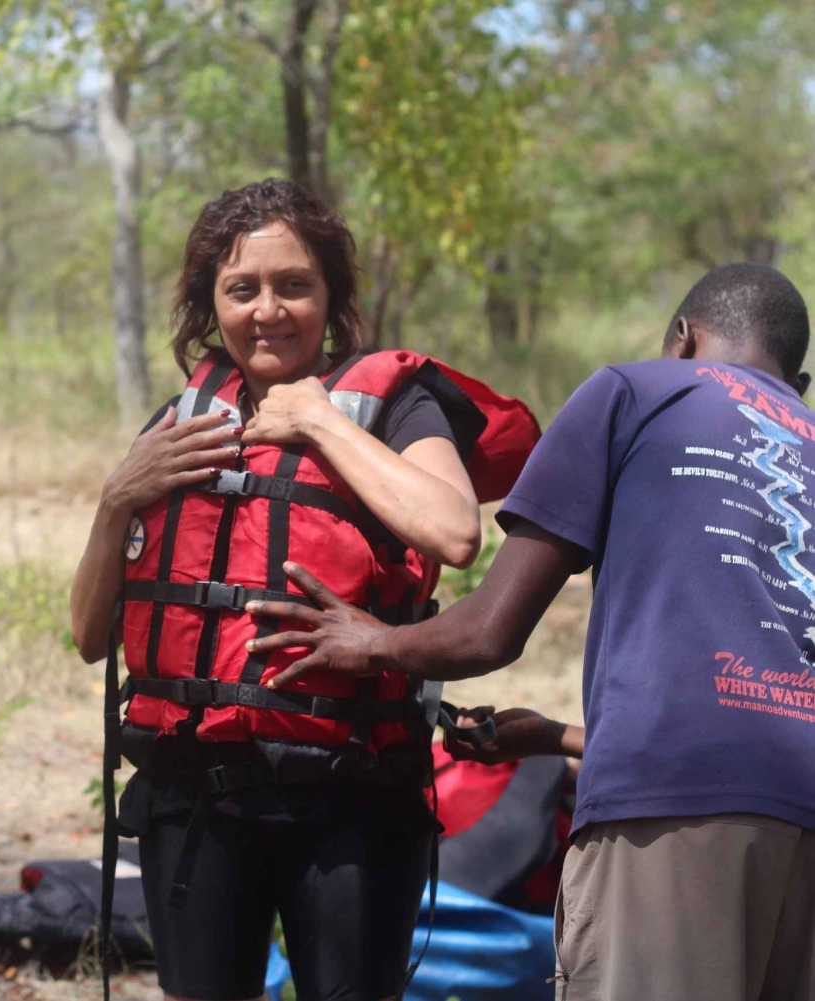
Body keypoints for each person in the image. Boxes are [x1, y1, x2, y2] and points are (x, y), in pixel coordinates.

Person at [242, 262, 815, 1000]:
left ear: (683, 338)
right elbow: (763, 704)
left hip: (668, 822)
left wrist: (372, 640)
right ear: (796, 383)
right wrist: (550, 737)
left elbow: (490, 632)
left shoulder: (635, 391)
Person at [69, 179, 541, 1001]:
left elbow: (456, 531)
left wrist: (320, 420)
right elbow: (87, 635)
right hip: (197, 787)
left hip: (352, 793)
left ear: (331, 298)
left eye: (294, 285)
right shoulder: (180, 418)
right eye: (241, 289)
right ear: (210, 305)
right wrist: (116, 500)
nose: (268, 310)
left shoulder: (395, 406)